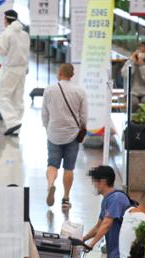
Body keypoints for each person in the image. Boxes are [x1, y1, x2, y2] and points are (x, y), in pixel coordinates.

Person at [42, 63, 87, 209]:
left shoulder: (49, 90)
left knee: (52, 164)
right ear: (72, 75)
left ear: (59, 72)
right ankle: (66, 198)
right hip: (72, 134)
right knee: (69, 168)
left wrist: (47, 128)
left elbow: (45, 114)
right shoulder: (79, 92)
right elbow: (84, 117)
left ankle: (50, 185)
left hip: (54, 133)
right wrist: (82, 128)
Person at [0, 10, 30, 136]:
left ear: (6, 20)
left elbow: (0, 51)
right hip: (22, 69)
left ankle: (12, 122)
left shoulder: (6, 34)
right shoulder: (24, 34)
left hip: (9, 68)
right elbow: (26, 52)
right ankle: (16, 126)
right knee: (17, 98)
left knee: (1, 95)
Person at [121, 42, 145, 112]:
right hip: (132, 91)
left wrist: (142, 65)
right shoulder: (130, 61)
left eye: (144, 51)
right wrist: (132, 61)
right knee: (133, 102)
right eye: (140, 51)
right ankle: (132, 121)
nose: (141, 53)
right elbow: (125, 74)